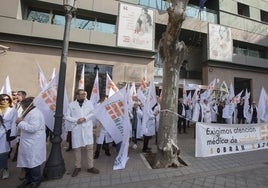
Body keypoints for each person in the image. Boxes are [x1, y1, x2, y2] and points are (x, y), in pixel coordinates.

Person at [65, 89, 99, 177]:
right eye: (81, 94)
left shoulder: (89, 103)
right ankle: (77, 167)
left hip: (87, 129)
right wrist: (76, 120)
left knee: (90, 148)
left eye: (84, 94)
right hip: (77, 129)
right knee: (77, 149)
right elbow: (67, 116)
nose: (83, 95)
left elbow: (92, 113)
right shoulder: (71, 105)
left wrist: (85, 118)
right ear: (77, 95)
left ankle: (90, 167)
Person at [15, 97, 46, 188]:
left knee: (33, 163)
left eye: (22, 106)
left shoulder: (35, 114)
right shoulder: (28, 112)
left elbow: (33, 128)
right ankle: (28, 180)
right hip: (27, 143)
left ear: (26, 106)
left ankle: (35, 181)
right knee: (27, 162)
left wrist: (20, 123)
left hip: (33, 143)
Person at [0, 94, 17, 179]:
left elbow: (14, 123)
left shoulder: (12, 110)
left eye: (7, 99)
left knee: (2, 154)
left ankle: (5, 169)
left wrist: (13, 135)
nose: (5, 101)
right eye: (3, 99)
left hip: (5, 134)